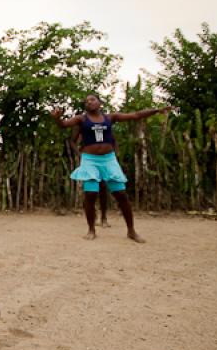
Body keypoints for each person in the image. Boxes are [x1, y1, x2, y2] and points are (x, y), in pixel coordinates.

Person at [50, 94, 173, 243]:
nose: (89, 102)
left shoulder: (110, 117)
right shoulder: (81, 119)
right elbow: (63, 125)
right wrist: (57, 118)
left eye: (92, 100)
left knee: (121, 194)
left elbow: (136, 115)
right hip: (90, 160)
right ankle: (91, 229)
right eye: (86, 101)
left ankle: (131, 231)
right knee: (90, 194)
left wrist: (158, 110)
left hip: (109, 159)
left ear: (100, 103)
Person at [70, 124, 110, 228]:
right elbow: (73, 142)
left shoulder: (103, 123)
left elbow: (110, 140)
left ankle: (104, 217)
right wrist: (80, 155)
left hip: (102, 159)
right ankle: (93, 217)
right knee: (89, 191)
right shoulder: (81, 123)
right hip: (88, 160)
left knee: (103, 187)